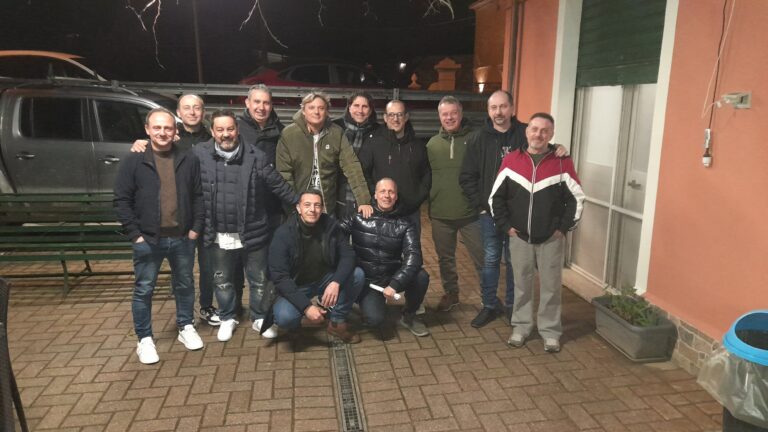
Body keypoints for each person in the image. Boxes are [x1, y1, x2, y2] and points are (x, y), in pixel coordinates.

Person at [459, 90, 567, 328]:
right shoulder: (478, 138)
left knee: (515, 262)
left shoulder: (525, 133)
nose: (498, 112)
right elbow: (467, 177)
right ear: (488, 110)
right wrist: (482, 206)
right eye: (493, 107)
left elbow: (544, 149)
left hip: (519, 215)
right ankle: (489, 305)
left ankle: (512, 306)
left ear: (512, 108)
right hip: (489, 214)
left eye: (503, 106)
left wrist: (558, 148)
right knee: (490, 260)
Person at [194, 110, 298, 342]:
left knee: (259, 279)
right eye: (220, 129)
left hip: (253, 231)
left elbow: (277, 184)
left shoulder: (255, 156)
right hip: (217, 232)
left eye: (230, 129)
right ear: (212, 132)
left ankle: (259, 316)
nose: (226, 134)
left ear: (237, 129)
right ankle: (227, 316)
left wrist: (300, 202)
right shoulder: (200, 154)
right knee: (222, 279)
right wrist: (143, 144)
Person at [114, 108, 204, 364]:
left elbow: (198, 196)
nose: (162, 133)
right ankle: (144, 339)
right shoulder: (134, 160)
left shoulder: (188, 158)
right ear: (147, 129)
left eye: (167, 128)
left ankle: (185, 326)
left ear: (175, 131)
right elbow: (122, 200)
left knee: (185, 285)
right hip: (148, 240)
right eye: (157, 128)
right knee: (144, 290)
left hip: (182, 237)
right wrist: (135, 235)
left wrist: (195, 228)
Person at [490, 113, 585, 353]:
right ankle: (521, 327)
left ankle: (550, 331)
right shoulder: (511, 160)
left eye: (544, 130)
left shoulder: (562, 162)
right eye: (534, 129)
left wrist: (563, 228)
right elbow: (496, 198)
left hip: (551, 239)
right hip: (519, 237)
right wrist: (506, 226)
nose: (538, 134)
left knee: (551, 287)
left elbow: (576, 198)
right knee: (522, 285)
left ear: (551, 134)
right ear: (527, 131)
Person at [130, 94, 220, 328]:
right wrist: (142, 142)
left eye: (197, 108)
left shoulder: (213, 137)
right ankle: (181, 317)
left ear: (203, 112)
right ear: (179, 113)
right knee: (180, 275)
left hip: (204, 216)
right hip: (177, 221)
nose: (192, 112)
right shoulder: (171, 137)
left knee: (206, 267)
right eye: (187, 108)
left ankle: (206, 307)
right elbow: (156, 143)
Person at [269, 190, 365, 344]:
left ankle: (337, 323)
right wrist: (307, 307)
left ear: (322, 208)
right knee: (285, 317)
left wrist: (336, 282)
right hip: (297, 285)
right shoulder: (283, 234)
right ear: (298, 208)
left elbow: (348, 255)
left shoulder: (330, 226)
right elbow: (279, 277)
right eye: (307, 205)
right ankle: (294, 327)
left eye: (317, 205)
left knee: (357, 275)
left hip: (324, 279)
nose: (312, 209)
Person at [339, 178, 430, 337]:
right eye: (382, 191)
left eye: (391, 192)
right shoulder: (359, 216)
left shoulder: (405, 223)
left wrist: (395, 284)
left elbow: (414, 258)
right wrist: (347, 257)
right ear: (375, 195)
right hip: (369, 281)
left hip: (391, 276)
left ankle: (409, 315)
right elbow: (335, 234)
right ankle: (359, 299)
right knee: (375, 321)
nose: (386, 196)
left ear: (396, 196)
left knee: (421, 276)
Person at [426, 96, 484, 312]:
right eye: (445, 114)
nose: (449, 117)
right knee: (445, 259)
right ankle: (451, 293)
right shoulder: (432, 144)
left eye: (453, 113)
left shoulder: (476, 139)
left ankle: (488, 296)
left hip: (471, 213)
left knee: (482, 257)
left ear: (460, 114)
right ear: (439, 116)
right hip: (441, 212)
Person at [276, 91, 372, 218]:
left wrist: (364, 200)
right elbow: (284, 174)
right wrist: (294, 206)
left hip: (327, 206)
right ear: (303, 110)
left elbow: (351, 166)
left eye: (321, 108)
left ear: (327, 111)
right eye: (311, 108)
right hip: (299, 206)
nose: (316, 112)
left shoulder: (336, 133)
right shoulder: (289, 134)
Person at [358, 100, 430, 235]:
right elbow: (363, 173)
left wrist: (417, 198)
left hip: (410, 213)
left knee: (412, 247)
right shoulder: (373, 143)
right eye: (391, 115)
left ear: (406, 117)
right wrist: (377, 196)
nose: (395, 119)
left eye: (399, 115)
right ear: (385, 118)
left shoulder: (418, 146)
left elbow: (426, 174)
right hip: (382, 212)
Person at [237, 84, 287, 232]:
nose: (261, 107)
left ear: (271, 105)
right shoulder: (236, 129)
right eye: (257, 102)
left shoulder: (281, 131)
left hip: (274, 204)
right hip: (246, 203)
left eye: (266, 103)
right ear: (247, 103)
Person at [333, 91, 380, 219]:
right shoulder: (335, 128)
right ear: (349, 107)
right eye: (356, 105)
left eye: (365, 106)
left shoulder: (379, 132)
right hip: (337, 195)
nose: (360, 110)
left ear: (371, 110)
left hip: (368, 196)